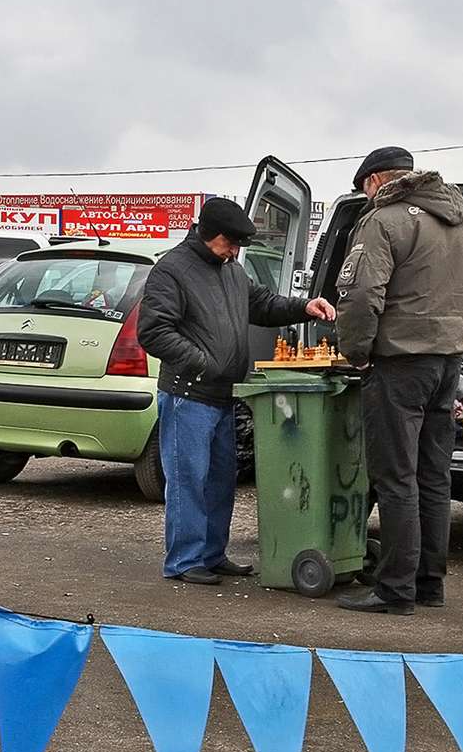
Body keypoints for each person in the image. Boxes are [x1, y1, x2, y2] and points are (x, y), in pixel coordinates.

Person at [138, 197, 336, 585]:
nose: (235, 252)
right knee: (188, 480)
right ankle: (184, 560)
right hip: (187, 393)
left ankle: (212, 554)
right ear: (210, 234)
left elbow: (260, 303)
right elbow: (154, 332)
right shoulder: (171, 270)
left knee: (221, 478)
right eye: (231, 243)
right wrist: (203, 362)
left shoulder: (230, 269)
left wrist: (303, 307)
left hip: (224, 394)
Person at [334, 147, 463, 615]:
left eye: (364, 189)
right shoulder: (462, 224)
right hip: (448, 363)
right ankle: (429, 585)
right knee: (434, 477)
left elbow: (360, 294)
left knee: (396, 478)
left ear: (376, 180)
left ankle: (394, 589)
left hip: (400, 364)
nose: (365, 197)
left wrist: (355, 351)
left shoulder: (385, 221)